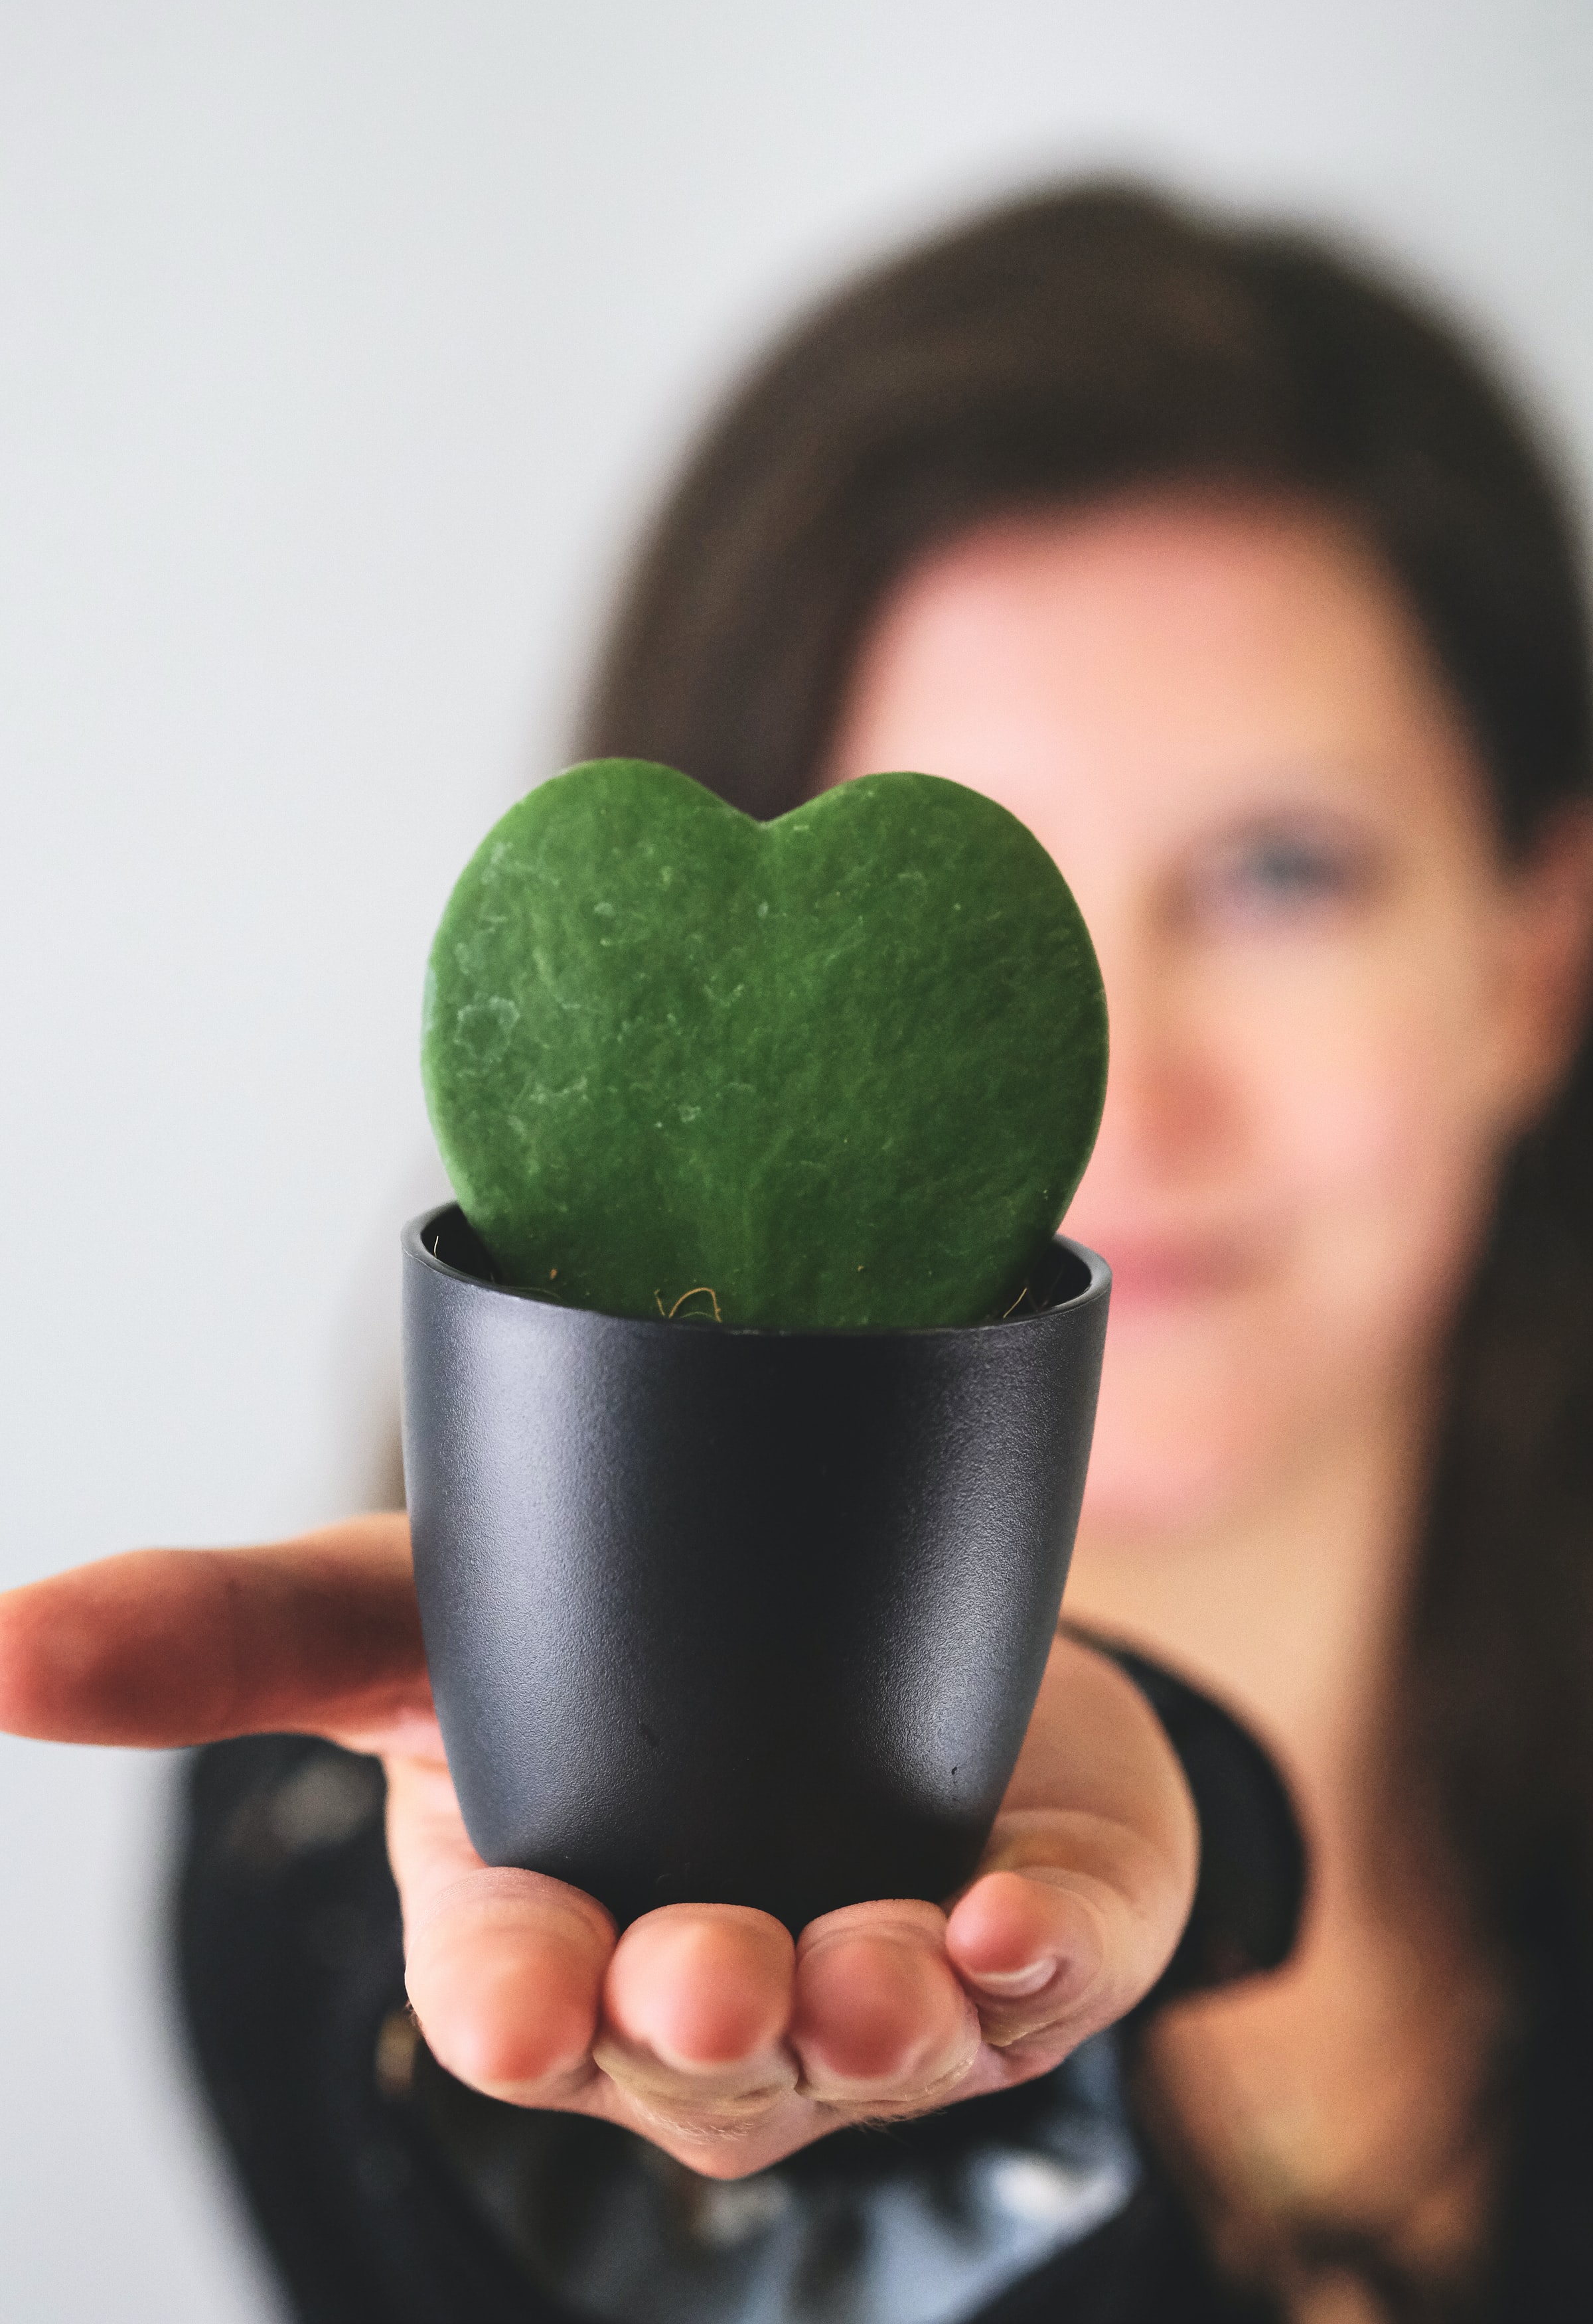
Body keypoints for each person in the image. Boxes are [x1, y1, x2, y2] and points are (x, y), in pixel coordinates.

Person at [1, 182, 1590, 2323]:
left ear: (1535, 953)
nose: (1123, 1100)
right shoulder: (364, 1885)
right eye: (959, 932)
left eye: (1284, 873)